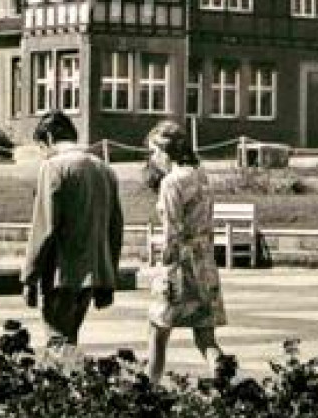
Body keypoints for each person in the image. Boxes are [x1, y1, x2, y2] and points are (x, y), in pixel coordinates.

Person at [20, 110, 124, 361]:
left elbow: (44, 227)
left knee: (57, 342)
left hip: (60, 273)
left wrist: (29, 276)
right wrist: (109, 277)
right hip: (93, 273)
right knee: (70, 339)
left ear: (48, 138)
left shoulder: (54, 167)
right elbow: (115, 227)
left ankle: (59, 395)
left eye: (41, 147)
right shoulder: (104, 169)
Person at [144, 120, 228, 380]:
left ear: (165, 151)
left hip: (180, 265)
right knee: (205, 335)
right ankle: (222, 374)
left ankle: (148, 390)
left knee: (157, 330)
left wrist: (162, 265)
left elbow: (172, 230)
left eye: (154, 152)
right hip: (204, 261)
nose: (153, 158)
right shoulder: (201, 175)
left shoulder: (172, 182)